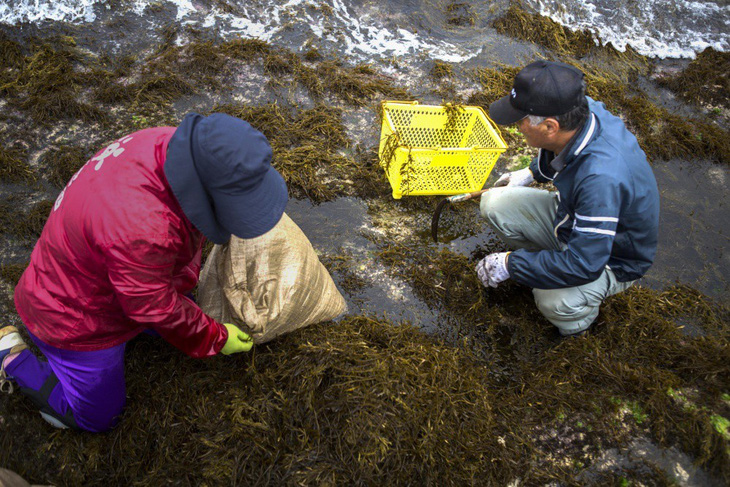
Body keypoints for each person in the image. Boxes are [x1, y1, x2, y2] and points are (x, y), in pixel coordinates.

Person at [0, 113, 288, 431]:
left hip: (106, 272)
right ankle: (15, 360)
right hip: (71, 316)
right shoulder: (143, 227)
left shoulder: (171, 144)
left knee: (169, 309)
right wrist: (215, 338)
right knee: (100, 418)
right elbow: (153, 305)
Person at [476, 60, 659, 337]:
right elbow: (563, 152)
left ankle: (577, 327)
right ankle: (547, 266)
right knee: (495, 204)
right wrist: (531, 172)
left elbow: (585, 264)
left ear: (549, 126)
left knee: (554, 300)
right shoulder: (579, 109)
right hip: (572, 219)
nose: (518, 126)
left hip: (613, 256)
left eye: (521, 119)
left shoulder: (600, 179)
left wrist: (511, 264)